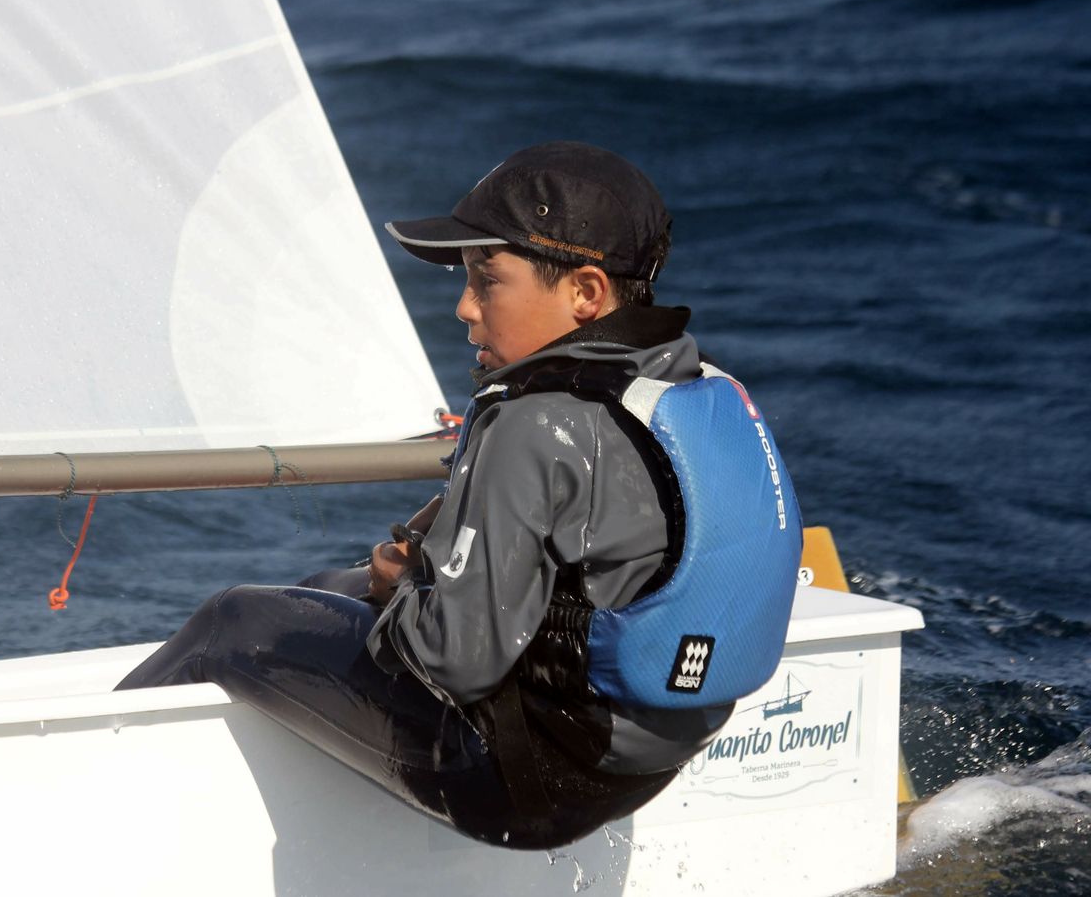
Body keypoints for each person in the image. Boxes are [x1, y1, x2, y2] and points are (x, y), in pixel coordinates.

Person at [116, 141, 801, 849]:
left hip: (523, 783)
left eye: (487, 278)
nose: (464, 307)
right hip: (644, 757)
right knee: (328, 588)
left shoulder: (534, 423)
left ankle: (91, 811)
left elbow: (455, 660)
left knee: (234, 623)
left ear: (585, 293)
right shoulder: (687, 386)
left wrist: (406, 584)